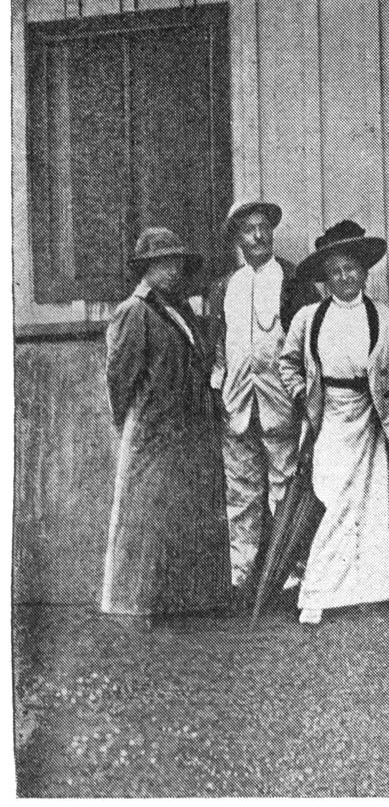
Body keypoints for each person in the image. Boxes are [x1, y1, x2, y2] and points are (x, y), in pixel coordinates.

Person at [279, 221, 389, 624]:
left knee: (370, 505)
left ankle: (369, 589)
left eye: (351, 268)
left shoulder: (384, 318)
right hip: (331, 416)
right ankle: (316, 591)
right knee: (333, 498)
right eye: (335, 271)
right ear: (326, 279)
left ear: (365, 272)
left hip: (370, 417)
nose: (344, 277)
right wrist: (303, 393)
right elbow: (287, 363)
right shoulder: (308, 318)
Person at [101, 228, 230, 628]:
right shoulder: (134, 312)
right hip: (154, 431)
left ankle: (183, 603)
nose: (172, 271)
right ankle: (136, 605)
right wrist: (133, 426)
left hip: (187, 427)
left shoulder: (179, 309)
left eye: (176, 263)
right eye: (162, 264)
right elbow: (119, 381)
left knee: (183, 515)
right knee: (147, 519)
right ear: (146, 269)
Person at [206, 199, 319, 605]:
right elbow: (217, 347)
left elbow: (307, 344)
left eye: (263, 228)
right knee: (240, 493)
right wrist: (219, 390)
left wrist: (305, 398)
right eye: (248, 230)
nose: (257, 237)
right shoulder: (224, 287)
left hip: (281, 405)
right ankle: (243, 579)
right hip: (237, 405)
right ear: (236, 237)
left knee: (285, 487)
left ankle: (293, 577)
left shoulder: (291, 281)